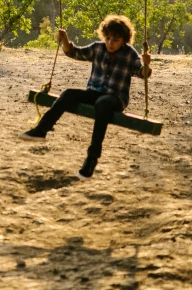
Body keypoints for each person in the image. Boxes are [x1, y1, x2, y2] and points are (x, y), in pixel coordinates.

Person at [19, 14, 152, 179]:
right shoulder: (98, 48)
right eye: (108, 38)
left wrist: (146, 64)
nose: (110, 43)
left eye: (116, 40)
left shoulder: (129, 54)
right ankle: (41, 130)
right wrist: (65, 39)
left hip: (115, 98)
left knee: (103, 104)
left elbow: (142, 74)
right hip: (94, 92)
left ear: (124, 40)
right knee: (68, 94)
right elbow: (73, 53)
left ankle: (91, 159)